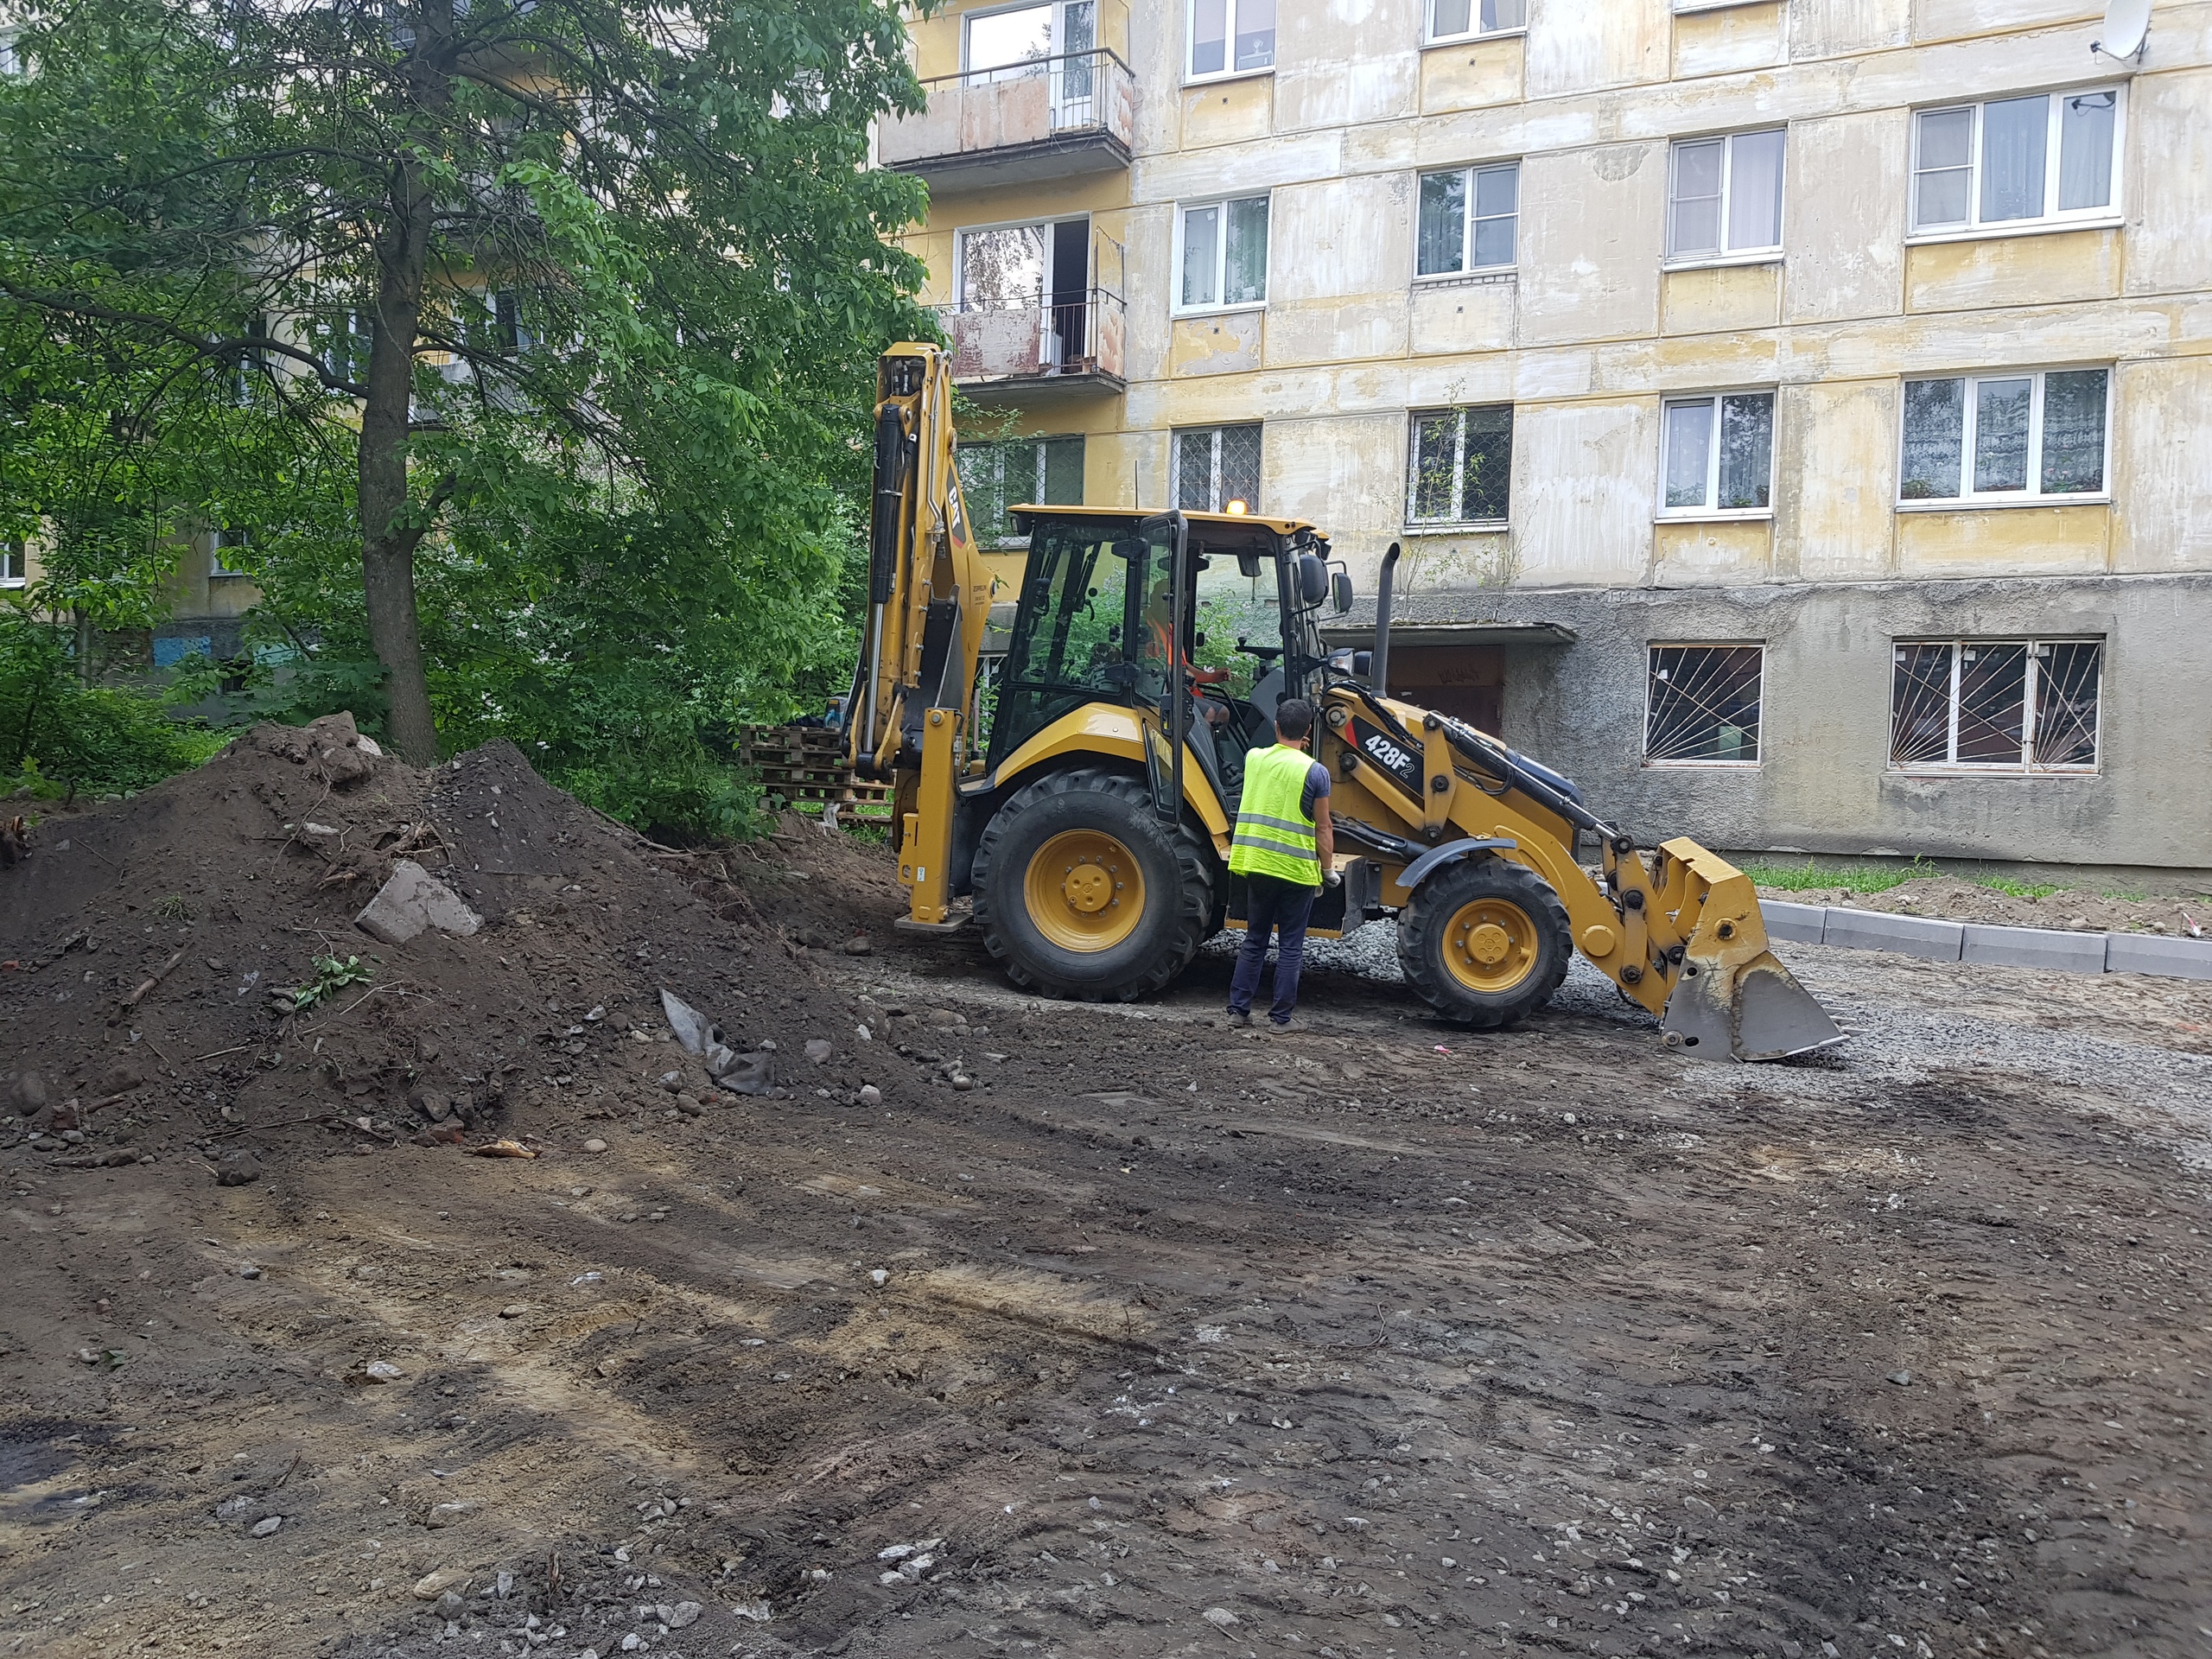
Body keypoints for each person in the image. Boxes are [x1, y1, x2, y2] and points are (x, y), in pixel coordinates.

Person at [1225, 696, 1334, 1032]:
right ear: (1309, 732)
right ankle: (1280, 1020)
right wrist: (1327, 870)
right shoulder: (1316, 772)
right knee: (1290, 945)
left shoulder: (1254, 759)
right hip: (1297, 872)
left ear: (1275, 726)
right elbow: (1324, 826)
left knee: (1255, 939)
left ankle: (1237, 1012)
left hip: (1257, 865)